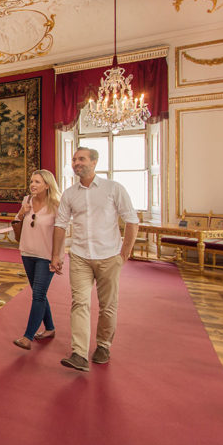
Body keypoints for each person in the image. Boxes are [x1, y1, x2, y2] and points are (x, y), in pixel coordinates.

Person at [50, 147, 138, 372]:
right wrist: (56, 255)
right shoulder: (70, 194)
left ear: (94, 162)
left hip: (109, 256)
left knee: (108, 305)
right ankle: (79, 353)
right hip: (80, 256)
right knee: (80, 302)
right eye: (74, 159)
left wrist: (125, 252)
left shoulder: (113, 189)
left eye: (81, 159)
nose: (76, 163)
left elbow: (131, 220)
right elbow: (60, 224)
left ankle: (103, 345)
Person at [12, 169, 62, 350]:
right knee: (39, 293)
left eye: (37, 182)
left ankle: (28, 336)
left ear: (47, 185)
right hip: (27, 252)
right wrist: (21, 212)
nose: (33, 184)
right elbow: (16, 222)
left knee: (38, 294)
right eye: (32, 181)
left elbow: (60, 232)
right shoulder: (27, 201)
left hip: (46, 255)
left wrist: (57, 256)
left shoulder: (57, 204)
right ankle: (50, 328)